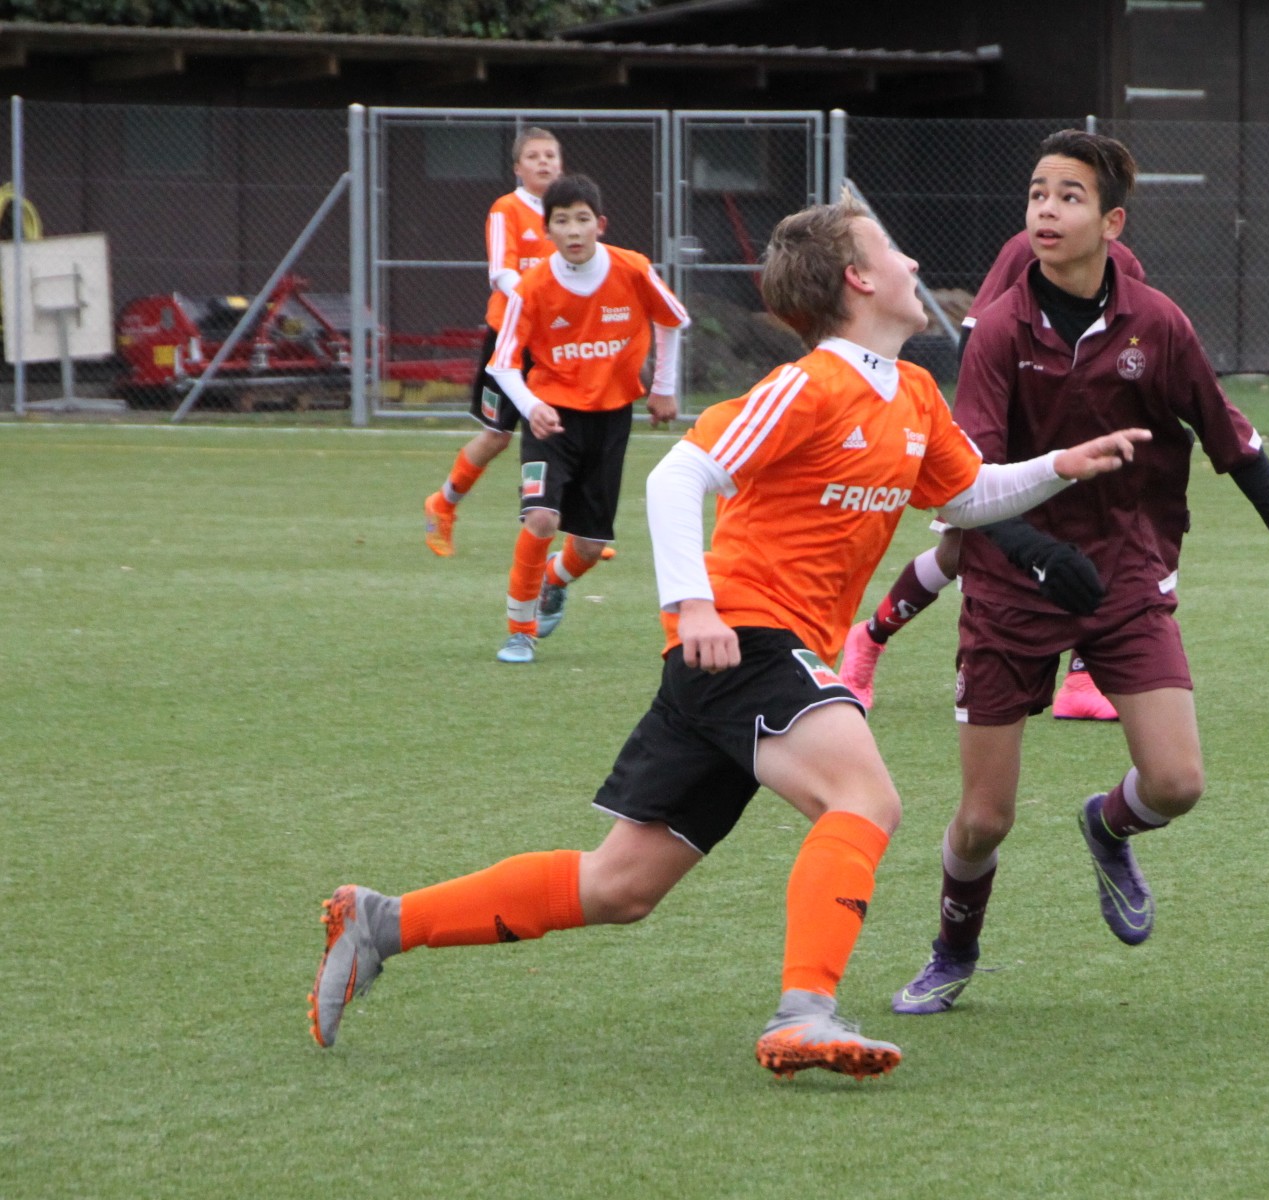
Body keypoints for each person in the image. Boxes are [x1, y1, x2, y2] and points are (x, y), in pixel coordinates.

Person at [307, 196, 1153, 1080]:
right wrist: (695, 605)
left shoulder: (909, 394)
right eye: (893, 249)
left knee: (621, 885)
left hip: (736, 657)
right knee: (864, 799)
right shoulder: (808, 385)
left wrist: (1058, 467)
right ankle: (804, 1014)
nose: (911, 263)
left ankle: (381, 922)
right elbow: (678, 475)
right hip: (743, 635)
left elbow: (964, 494)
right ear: (859, 280)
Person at [890, 130, 1269, 1017]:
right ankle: (953, 950)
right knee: (983, 820)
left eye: (1069, 196)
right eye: (1037, 194)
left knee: (1176, 784)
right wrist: (1035, 551)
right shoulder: (999, 331)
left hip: (1126, 577)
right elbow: (964, 483)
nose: (1046, 210)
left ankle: (1107, 824)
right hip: (1012, 586)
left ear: (1111, 222)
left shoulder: (1158, 323)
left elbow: (1231, 439)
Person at [837, 229, 1147, 721]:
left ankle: (1082, 678)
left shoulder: (1123, 263)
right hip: (1008, 428)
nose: (1055, 208)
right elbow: (975, 335)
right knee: (961, 550)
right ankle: (870, 639)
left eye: (1077, 196)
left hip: (1079, 431)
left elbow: (1133, 342)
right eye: (1048, 195)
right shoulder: (1026, 248)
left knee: (1102, 533)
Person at [484, 173, 688, 664]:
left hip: (610, 419)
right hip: (551, 419)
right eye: (561, 221)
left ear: (600, 224)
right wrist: (532, 407)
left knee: (592, 545)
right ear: (547, 230)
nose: (573, 231)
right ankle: (520, 631)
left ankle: (554, 581)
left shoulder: (632, 269)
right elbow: (503, 364)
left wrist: (663, 387)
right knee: (541, 517)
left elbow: (673, 320)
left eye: (581, 220)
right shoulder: (532, 287)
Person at [423, 127, 563, 557]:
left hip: (556, 343)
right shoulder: (506, 209)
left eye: (550, 155)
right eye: (534, 156)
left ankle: (569, 530)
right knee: (497, 437)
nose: (543, 162)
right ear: (518, 167)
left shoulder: (570, 212)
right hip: (510, 340)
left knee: (559, 430)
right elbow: (501, 272)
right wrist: (536, 301)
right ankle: (443, 503)